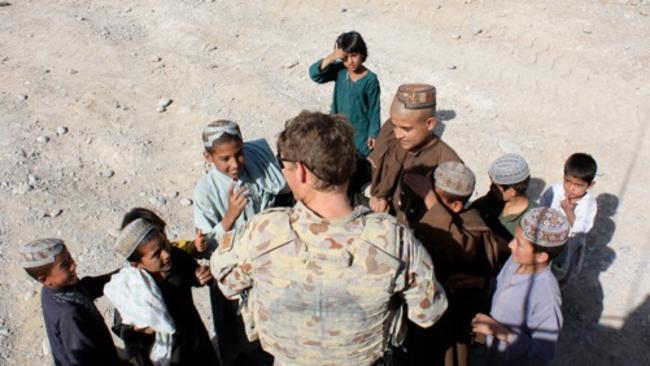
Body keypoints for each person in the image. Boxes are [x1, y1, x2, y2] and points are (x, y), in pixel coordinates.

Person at [210, 110, 447, 366]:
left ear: (301, 171)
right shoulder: (392, 238)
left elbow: (227, 281)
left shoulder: (263, 230)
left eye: (284, 165)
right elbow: (428, 312)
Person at [193, 119, 281, 365]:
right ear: (208, 157)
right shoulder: (205, 192)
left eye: (238, 154)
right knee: (242, 340)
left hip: (265, 264)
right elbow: (209, 247)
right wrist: (230, 216)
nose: (234, 164)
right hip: (234, 274)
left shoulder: (256, 165)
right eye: (225, 159)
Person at [402, 162, 500, 366]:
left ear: (456, 205)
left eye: (434, 199)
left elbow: (458, 244)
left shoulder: (472, 225)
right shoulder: (430, 213)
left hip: (452, 317)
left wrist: (431, 201)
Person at [105, 218, 218, 366]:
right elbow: (122, 327)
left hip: (196, 341)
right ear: (137, 264)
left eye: (164, 244)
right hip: (167, 357)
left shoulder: (176, 257)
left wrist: (202, 276)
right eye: (156, 254)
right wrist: (140, 329)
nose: (166, 254)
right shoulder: (129, 287)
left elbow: (192, 273)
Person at [471, 207, 569, 365]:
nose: (510, 245)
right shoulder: (515, 260)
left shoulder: (546, 297)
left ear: (541, 256)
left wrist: (500, 332)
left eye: (519, 244)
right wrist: (479, 282)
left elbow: (542, 354)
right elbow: (500, 284)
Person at [369, 83, 461, 227]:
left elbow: (447, 225)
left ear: (430, 124)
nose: (397, 135)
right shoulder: (393, 130)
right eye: (395, 126)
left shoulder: (449, 165)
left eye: (406, 129)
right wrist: (380, 197)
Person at [21, 238, 120, 366]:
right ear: (45, 279)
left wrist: (121, 274)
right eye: (65, 265)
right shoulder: (68, 313)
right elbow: (82, 359)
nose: (73, 265)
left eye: (70, 259)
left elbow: (88, 288)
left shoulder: (54, 288)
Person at [309, 30, 380, 158]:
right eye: (345, 58)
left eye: (353, 55)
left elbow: (374, 109)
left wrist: (373, 133)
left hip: (360, 135)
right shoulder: (340, 71)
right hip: (337, 129)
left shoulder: (370, 80)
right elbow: (314, 74)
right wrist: (333, 56)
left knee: (357, 163)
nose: (350, 62)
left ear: (362, 54)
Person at [540, 153, 598, 284]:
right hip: (546, 239)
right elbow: (541, 208)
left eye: (578, 185)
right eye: (567, 181)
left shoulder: (589, 204)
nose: (571, 188)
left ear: (590, 185)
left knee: (560, 273)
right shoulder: (555, 190)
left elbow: (582, 228)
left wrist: (568, 211)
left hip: (568, 245)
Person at [471, 153, 535, 256]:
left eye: (495, 186)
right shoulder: (492, 199)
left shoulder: (532, 220)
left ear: (512, 191)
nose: (491, 187)